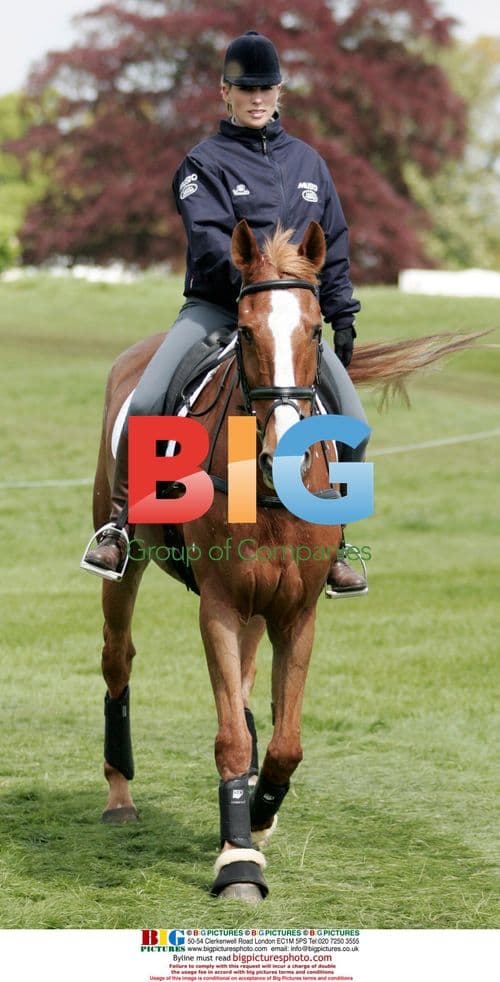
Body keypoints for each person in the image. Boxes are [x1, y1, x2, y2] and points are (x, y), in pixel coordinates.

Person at [83, 30, 368, 594]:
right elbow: (211, 242)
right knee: (144, 402)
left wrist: (343, 316)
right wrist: (259, 280)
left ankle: (338, 545)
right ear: (224, 93)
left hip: (291, 321)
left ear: (280, 90)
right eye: (245, 89)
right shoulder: (201, 163)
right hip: (217, 309)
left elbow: (330, 243)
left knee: (353, 423)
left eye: (265, 88)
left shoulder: (311, 164)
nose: (257, 98)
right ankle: (120, 525)